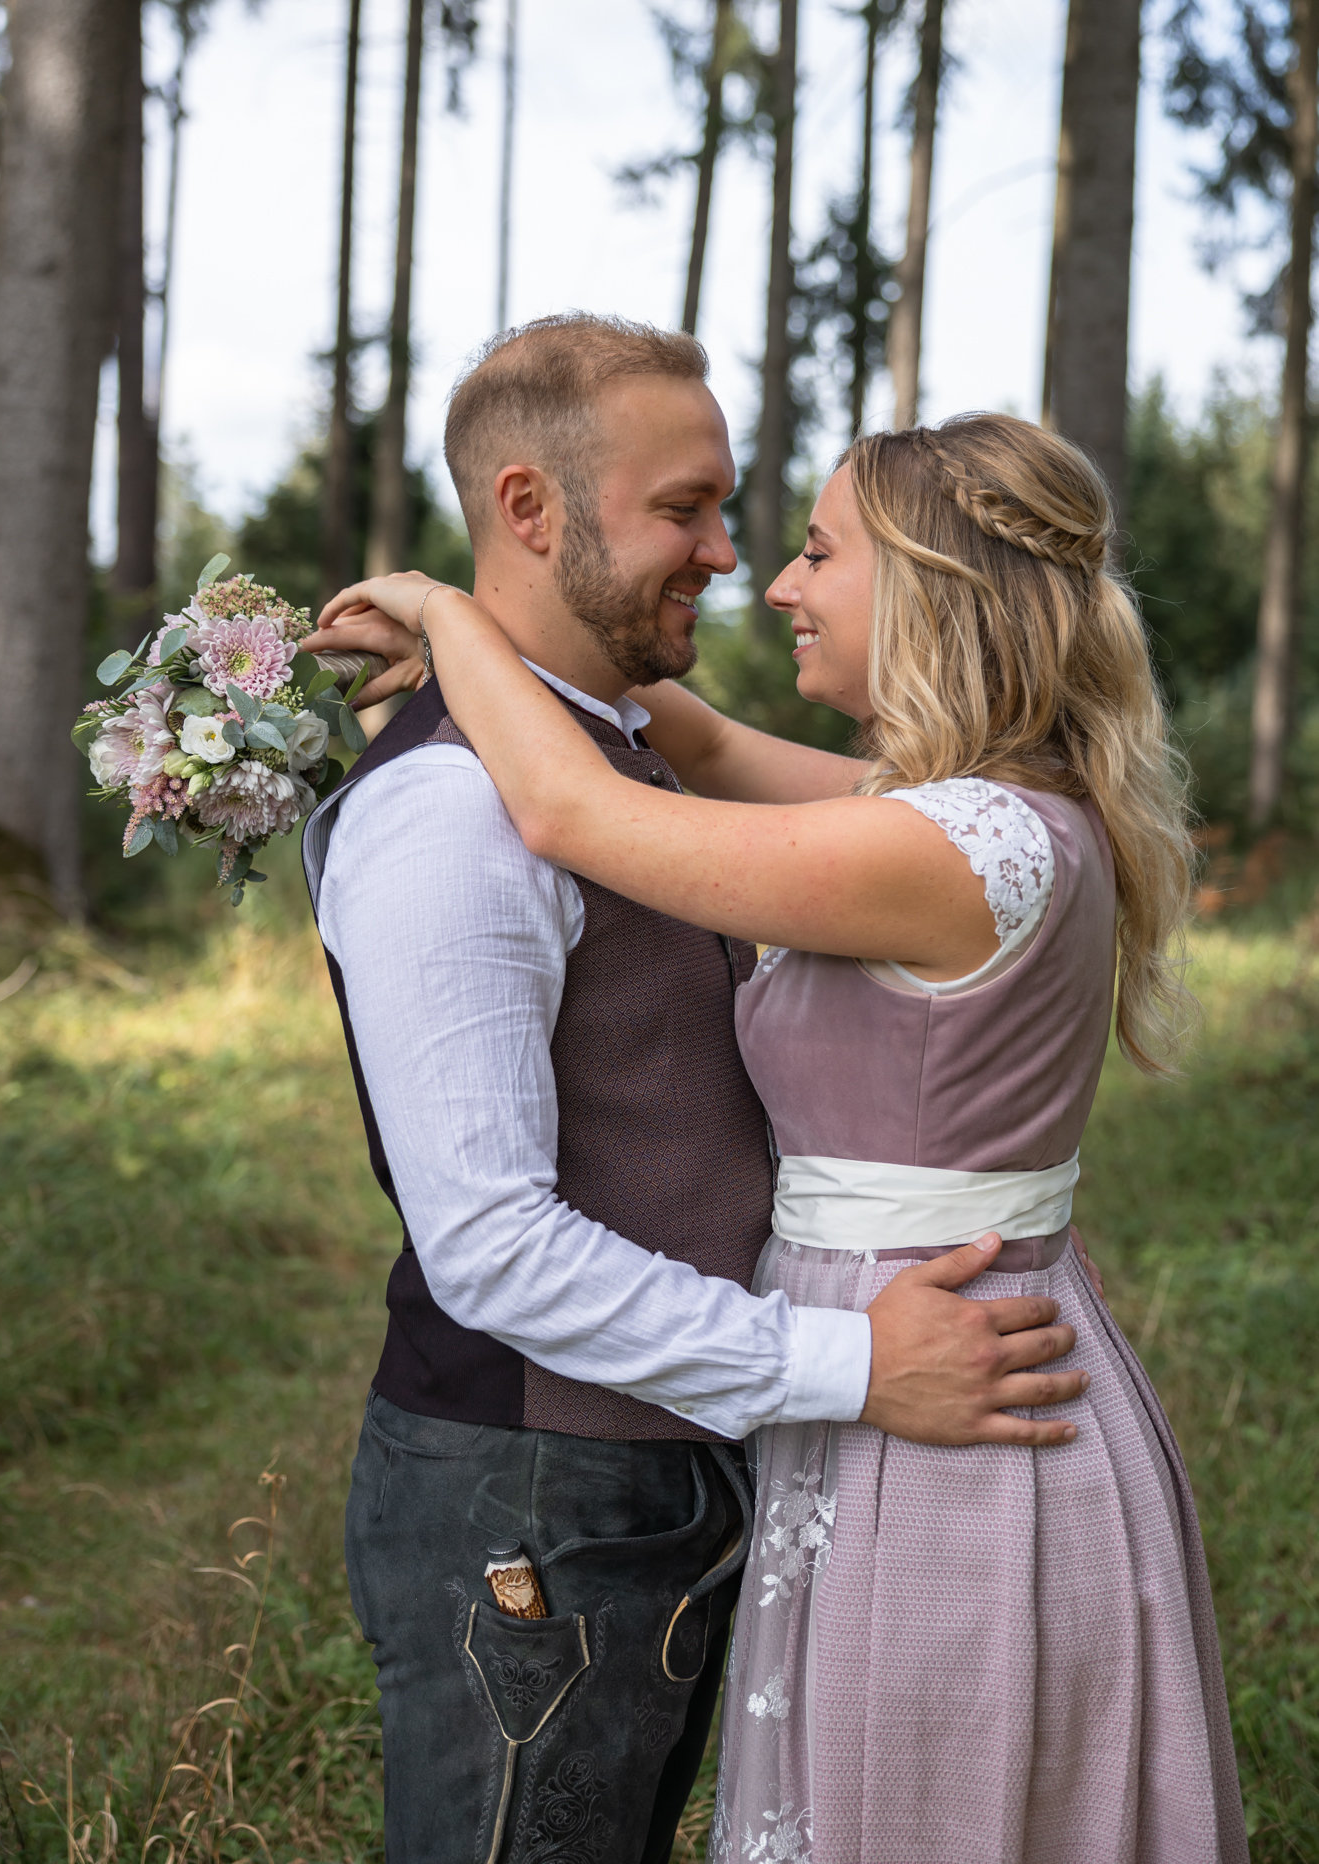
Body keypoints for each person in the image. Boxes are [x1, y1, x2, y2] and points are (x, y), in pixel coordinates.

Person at [317, 393, 1248, 1862]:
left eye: (819, 552)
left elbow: (569, 806)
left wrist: (443, 606)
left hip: (932, 1381)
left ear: (935, 593)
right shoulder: (978, 811)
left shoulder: (939, 846)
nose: (778, 581)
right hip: (903, 1360)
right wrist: (510, 633)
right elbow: (678, 733)